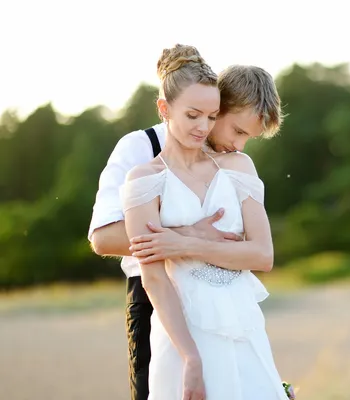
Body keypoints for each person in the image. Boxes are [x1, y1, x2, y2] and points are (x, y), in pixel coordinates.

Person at [88, 44, 285, 400]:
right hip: (156, 297)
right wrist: (185, 236)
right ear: (220, 105)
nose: (239, 145)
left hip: (229, 300)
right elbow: (102, 238)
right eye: (237, 131)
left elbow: (258, 250)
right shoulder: (140, 150)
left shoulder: (233, 166)